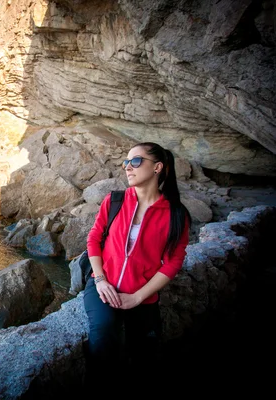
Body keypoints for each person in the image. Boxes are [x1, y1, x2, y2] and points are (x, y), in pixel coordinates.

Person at [83, 142, 191, 382]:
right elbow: (94, 239)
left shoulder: (176, 214)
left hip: (143, 296)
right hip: (102, 286)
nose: (127, 167)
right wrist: (100, 280)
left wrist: (138, 297)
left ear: (157, 167)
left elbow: (173, 262)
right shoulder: (114, 201)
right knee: (102, 336)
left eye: (136, 161)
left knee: (145, 355)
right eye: (126, 162)